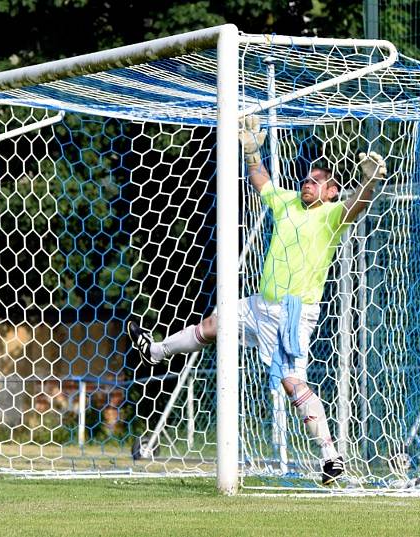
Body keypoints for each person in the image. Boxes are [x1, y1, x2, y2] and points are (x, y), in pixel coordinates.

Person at [128, 115, 386, 485]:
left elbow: (356, 206)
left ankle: (330, 455)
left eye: (316, 181)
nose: (307, 184)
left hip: (290, 312)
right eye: (306, 178)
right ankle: (154, 352)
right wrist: (252, 151)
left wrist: (369, 182)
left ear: (331, 192)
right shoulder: (287, 204)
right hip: (260, 304)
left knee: (291, 381)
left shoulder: (331, 215)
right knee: (214, 324)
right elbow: (262, 182)